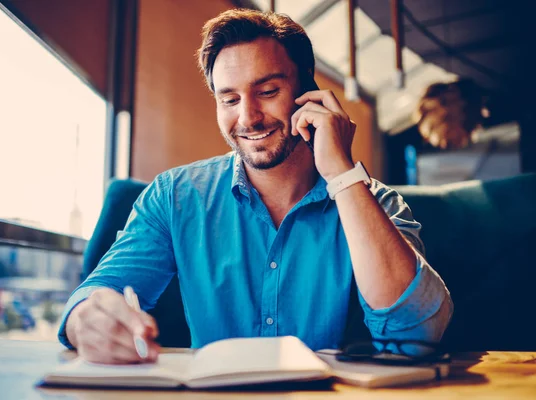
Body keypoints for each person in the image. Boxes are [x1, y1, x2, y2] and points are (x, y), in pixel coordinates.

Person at [58, 9, 453, 364]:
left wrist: (342, 173)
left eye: (267, 92)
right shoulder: (174, 197)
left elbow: (416, 333)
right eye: (229, 99)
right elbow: (95, 297)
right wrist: (86, 321)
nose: (247, 117)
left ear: (308, 95)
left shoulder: (377, 203)